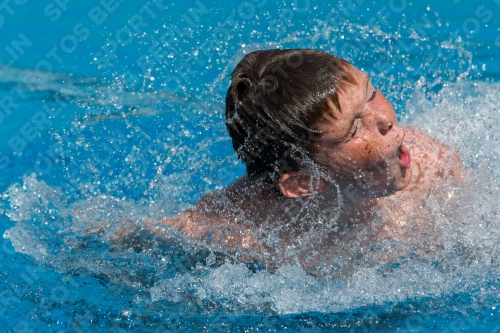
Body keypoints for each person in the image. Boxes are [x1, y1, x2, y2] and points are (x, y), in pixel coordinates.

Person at [111, 49, 463, 276]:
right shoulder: (239, 232)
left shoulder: (430, 166)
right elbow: (122, 238)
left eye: (371, 94)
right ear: (304, 183)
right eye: (355, 127)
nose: (385, 120)